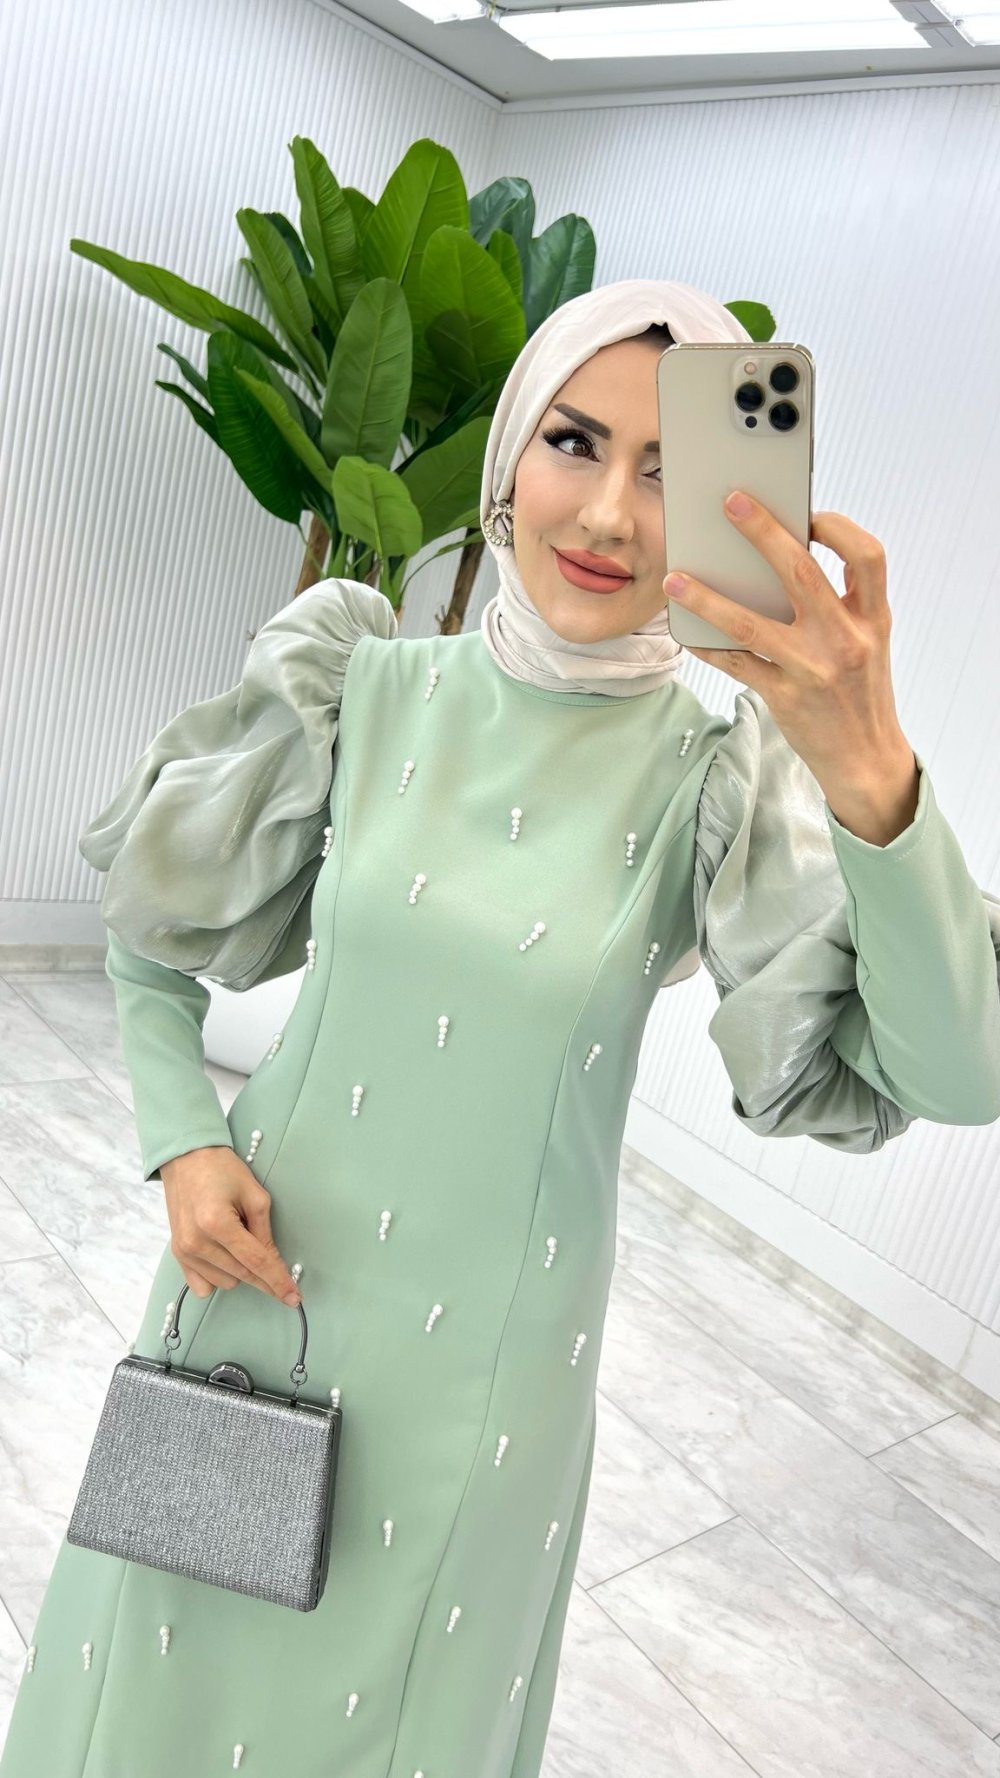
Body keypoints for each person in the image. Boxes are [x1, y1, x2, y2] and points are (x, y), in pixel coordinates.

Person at [2, 278, 998, 1778]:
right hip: (255, 1291)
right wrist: (183, 1137)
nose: (607, 512)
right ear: (510, 454)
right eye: (574, 441)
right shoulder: (360, 684)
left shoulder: (718, 779)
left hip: (485, 1378)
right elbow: (152, 918)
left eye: (669, 470)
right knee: (158, 1688)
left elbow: (957, 1074)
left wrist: (872, 777)